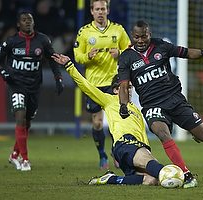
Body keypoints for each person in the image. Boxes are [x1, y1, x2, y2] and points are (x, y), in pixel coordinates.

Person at [118, 20, 203, 188]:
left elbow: (184, 52)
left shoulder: (161, 46)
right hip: (152, 105)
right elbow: (124, 84)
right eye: (136, 37)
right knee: (162, 132)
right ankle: (186, 174)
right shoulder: (126, 57)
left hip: (175, 99)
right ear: (132, 36)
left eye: (144, 36)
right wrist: (123, 104)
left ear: (150, 34)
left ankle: (192, 130)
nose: (140, 40)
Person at [52, 53, 164, 186]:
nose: (128, 90)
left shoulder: (136, 110)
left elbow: (142, 134)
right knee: (156, 167)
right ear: (115, 90)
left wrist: (146, 150)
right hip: (125, 143)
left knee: (151, 180)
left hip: (136, 148)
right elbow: (86, 86)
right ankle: (183, 176)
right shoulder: (109, 101)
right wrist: (69, 66)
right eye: (124, 87)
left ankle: (111, 179)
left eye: (130, 87)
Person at [0, 11, 64, 171]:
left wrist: (58, 77)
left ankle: (14, 155)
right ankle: (25, 159)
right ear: (19, 24)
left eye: (30, 20)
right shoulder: (11, 41)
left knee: (27, 122)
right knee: (20, 117)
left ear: (34, 23)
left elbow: (53, 59)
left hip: (34, 87)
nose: (27, 22)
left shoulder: (42, 40)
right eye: (24, 20)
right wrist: (2, 71)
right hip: (16, 84)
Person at [73, 0, 131, 170]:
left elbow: (130, 50)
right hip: (94, 85)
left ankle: (117, 153)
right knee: (97, 122)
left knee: (117, 121)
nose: (100, 12)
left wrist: (119, 53)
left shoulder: (118, 30)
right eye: (97, 9)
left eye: (103, 9)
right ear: (91, 11)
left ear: (108, 10)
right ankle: (102, 155)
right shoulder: (84, 32)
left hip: (114, 82)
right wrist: (88, 56)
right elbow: (77, 56)